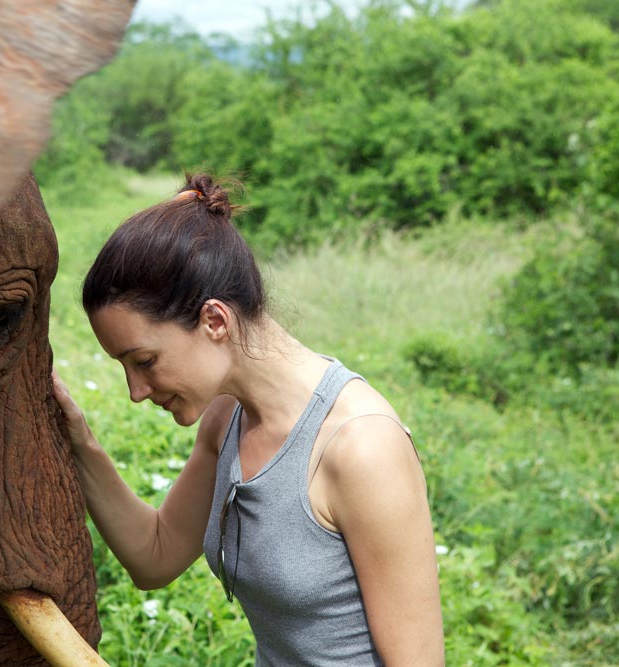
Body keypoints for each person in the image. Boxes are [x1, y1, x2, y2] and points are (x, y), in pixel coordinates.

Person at [51, 173, 444, 666]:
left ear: (215, 320)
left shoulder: (361, 448)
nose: (136, 392)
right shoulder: (226, 417)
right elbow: (156, 554)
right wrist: (78, 440)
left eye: (145, 361)